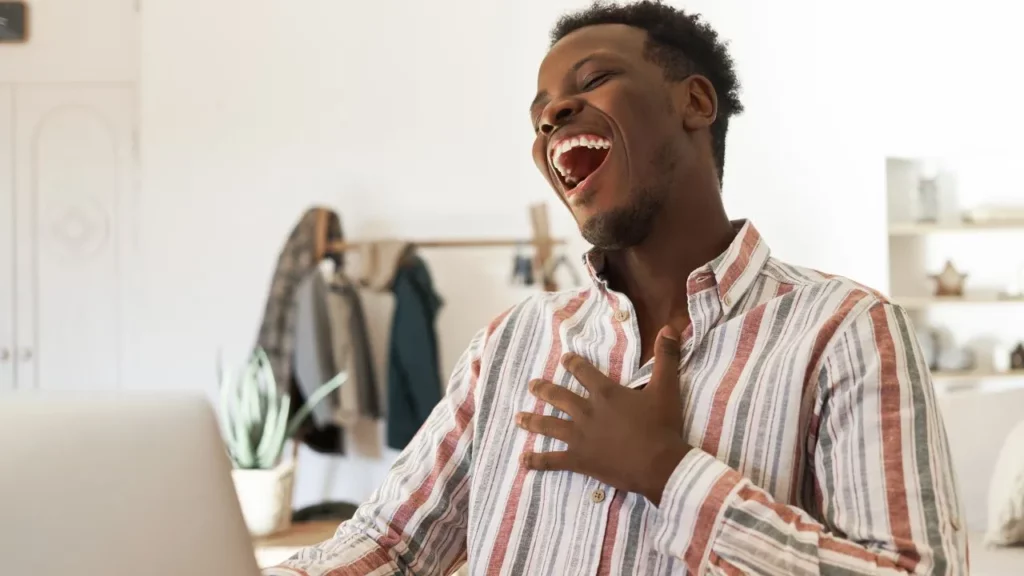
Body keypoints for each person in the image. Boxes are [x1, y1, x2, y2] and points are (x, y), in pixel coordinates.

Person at [264, 2, 967, 574]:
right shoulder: (511, 343)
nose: (552, 116)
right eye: (540, 109)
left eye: (592, 80)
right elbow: (388, 545)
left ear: (694, 101)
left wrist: (668, 472)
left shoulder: (846, 330)